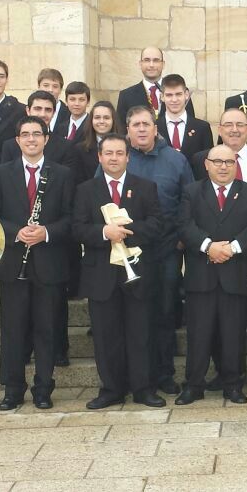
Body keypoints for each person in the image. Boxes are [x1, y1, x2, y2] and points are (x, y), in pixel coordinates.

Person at [0, 116, 75, 410]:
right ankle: (13, 389)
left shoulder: (62, 174)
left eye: (37, 134)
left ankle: (43, 388)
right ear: (17, 140)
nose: (32, 139)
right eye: (26, 134)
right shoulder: (2, 172)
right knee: (13, 330)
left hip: (49, 264)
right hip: (14, 264)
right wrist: (16, 231)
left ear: (46, 139)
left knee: (46, 329)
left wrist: (46, 232)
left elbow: (72, 219)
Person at [72, 134, 166, 410]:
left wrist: (126, 231)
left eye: (119, 153)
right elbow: (77, 228)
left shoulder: (146, 187)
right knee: (105, 335)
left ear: (128, 157)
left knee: (140, 333)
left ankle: (143, 389)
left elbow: (157, 224)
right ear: (100, 157)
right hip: (101, 275)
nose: (114, 158)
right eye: (108, 153)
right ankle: (111, 389)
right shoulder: (85, 190)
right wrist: (104, 232)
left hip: (137, 272)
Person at [176, 145, 247, 405]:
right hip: (201, 278)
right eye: (217, 161)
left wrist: (232, 248)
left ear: (236, 164)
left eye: (229, 161)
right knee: (198, 335)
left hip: (236, 276)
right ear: (206, 164)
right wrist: (209, 246)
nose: (223, 166)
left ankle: (233, 385)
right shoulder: (191, 192)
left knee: (234, 335)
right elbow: (184, 225)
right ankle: (193, 385)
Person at [125, 105, 195, 395]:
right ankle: (134, 375)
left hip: (166, 249)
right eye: (135, 124)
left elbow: (189, 200)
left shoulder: (176, 161)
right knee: (133, 314)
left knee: (165, 312)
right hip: (127, 250)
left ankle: (165, 374)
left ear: (156, 128)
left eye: (146, 124)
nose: (141, 129)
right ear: (127, 130)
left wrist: (181, 238)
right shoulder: (118, 158)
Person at [1, 91, 80, 176]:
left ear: (54, 113)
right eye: (37, 109)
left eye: (48, 110)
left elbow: (67, 182)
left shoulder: (66, 147)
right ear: (28, 110)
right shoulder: (10, 146)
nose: (42, 114)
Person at [192, 108, 247, 189]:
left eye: (240, 125)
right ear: (220, 130)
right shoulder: (201, 159)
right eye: (228, 125)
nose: (235, 130)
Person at [116, 47, 195, 124]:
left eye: (156, 60)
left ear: (163, 64)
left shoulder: (181, 93)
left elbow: (191, 124)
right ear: (140, 64)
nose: (151, 65)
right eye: (147, 60)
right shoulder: (126, 96)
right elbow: (121, 130)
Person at [155, 74, 212, 161]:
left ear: (186, 94)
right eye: (169, 95)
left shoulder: (202, 128)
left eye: (178, 94)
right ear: (162, 97)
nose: (174, 100)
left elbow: (208, 162)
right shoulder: (154, 127)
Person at [74, 101, 121, 182]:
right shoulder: (80, 149)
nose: (101, 121)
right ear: (91, 120)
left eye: (106, 118)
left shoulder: (124, 147)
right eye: (97, 117)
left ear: (113, 120)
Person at [36, 68, 69, 137]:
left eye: (55, 86)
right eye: (46, 85)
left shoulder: (69, 114)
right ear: (39, 87)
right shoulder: (29, 111)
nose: (50, 90)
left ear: (60, 90)